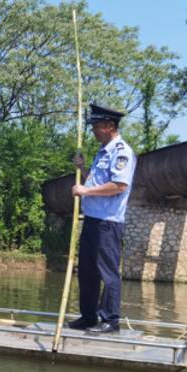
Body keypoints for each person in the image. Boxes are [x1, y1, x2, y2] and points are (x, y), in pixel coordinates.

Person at [68, 104, 137, 333]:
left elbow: (119, 185)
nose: (94, 131)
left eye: (97, 126)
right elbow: (96, 183)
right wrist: (83, 170)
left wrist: (84, 191)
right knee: (87, 270)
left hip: (108, 222)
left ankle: (110, 319)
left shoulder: (121, 152)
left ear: (110, 126)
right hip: (92, 219)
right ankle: (88, 316)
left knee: (107, 272)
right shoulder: (102, 151)